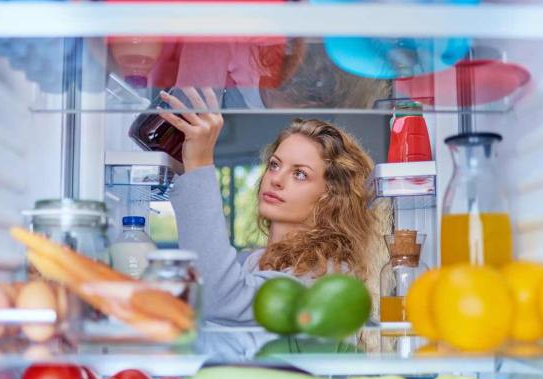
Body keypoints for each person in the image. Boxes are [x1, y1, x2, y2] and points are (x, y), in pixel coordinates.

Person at [160, 87, 387, 337]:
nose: (276, 179)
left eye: (300, 174)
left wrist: (200, 166)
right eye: (275, 165)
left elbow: (220, 297)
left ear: (331, 199)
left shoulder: (328, 275)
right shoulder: (252, 261)